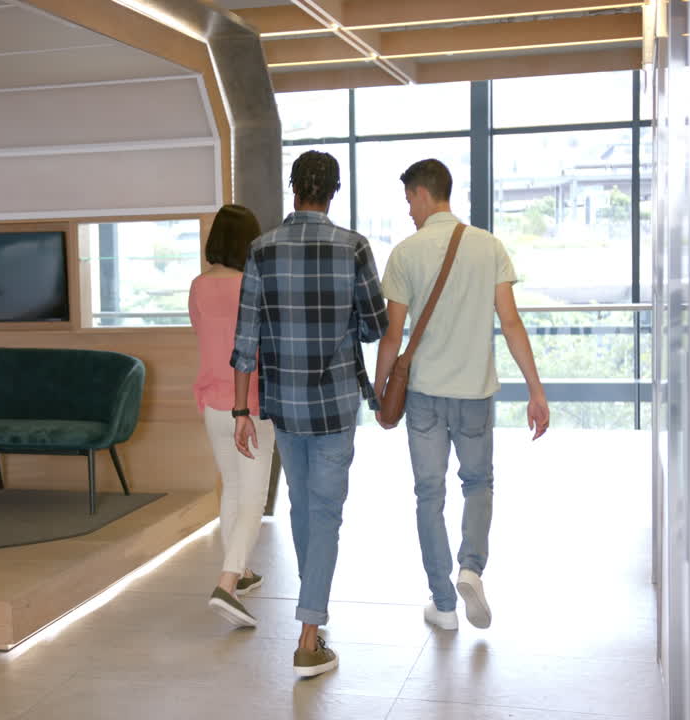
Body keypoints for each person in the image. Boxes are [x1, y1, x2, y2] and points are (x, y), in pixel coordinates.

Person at [230, 150, 388, 678]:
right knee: (325, 513)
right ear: (334, 191)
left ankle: (312, 616)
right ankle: (307, 634)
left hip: (282, 405)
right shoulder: (354, 248)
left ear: (292, 187)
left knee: (304, 508)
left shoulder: (261, 249)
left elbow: (245, 337)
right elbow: (375, 325)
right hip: (336, 402)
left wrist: (239, 410)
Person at [374, 158, 549, 632]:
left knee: (429, 494)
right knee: (477, 483)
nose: (409, 209)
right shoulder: (489, 247)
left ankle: (443, 604)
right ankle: (471, 568)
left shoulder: (406, 253)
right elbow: (510, 322)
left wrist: (379, 388)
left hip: (426, 395)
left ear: (424, 194)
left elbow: (392, 336)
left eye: (409, 198)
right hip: (475, 392)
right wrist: (536, 390)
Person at [189, 204, 274, 628]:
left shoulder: (199, 286)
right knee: (253, 497)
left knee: (233, 490)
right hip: (251, 404)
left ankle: (240, 572)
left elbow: (201, 333)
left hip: (212, 405)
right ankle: (226, 584)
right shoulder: (254, 284)